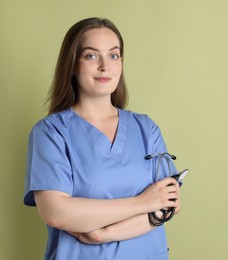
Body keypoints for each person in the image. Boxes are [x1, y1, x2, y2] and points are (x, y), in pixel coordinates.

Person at [23, 17, 181, 260]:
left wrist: (103, 234)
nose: (105, 66)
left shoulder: (146, 128)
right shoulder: (51, 132)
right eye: (91, 56)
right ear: (72, 64)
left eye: (114, 55)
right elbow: (57, 212)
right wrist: (143, 203)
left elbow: (167, 205)